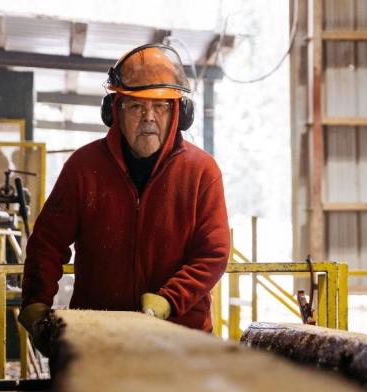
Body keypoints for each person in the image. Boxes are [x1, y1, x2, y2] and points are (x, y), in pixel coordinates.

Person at [19, 44, 231, 355]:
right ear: (114, 111)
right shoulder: (83, 168)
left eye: (160, 107)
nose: (149, 118)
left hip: (181, 342)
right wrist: (37, 303)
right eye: (136, 107)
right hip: (97, 341)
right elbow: (48, 243)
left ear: (178, 113)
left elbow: (213, 253)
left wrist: (171, 299)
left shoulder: (202, 172)